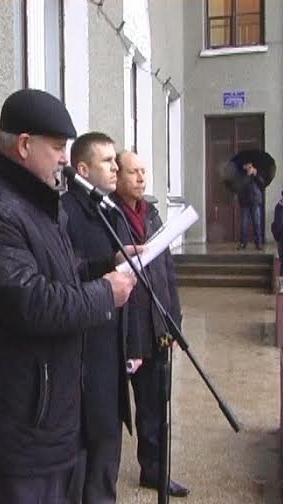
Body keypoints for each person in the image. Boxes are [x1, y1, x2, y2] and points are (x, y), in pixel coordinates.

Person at [0, 88, 136, 504]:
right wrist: (105, 294)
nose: (64, 158)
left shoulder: (35, 202)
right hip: (16, 421)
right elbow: (30, 301)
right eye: (58, 147)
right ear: (25, 145)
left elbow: (60, 274)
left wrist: (108, 263)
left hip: (46, 416)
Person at [61, 132, 133, 503]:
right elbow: (66, 275)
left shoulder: (110, 210)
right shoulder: (64, 212)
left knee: (107, 443)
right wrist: (107, 267)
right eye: (107, 161)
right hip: (83, 348)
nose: (116, 167)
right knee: (82, 453)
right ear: (83, 169)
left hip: (112, 345)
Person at [114, 150, 189, 498]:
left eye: (144, 171)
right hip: (125, 327)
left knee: (156, 405)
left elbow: (166, 270)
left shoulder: (153, 215)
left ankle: (155, 471)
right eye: (133, 172)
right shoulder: (110, 215)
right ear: (117, 176)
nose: (141, 178)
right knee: (116, 408)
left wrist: (173, 321)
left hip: (156, 326)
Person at [236, 161, 265, 250]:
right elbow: (240, 185)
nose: (249, 167)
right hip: (244, 202)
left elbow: (262, 184)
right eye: (247, 165)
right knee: (244, 224)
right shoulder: (240, 174)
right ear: (244, 166)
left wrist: (256, 175)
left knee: (257, 223)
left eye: (250, 165)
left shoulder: (257, 172)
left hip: (255, 201)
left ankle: (258, 243)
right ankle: (243, 243)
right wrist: (248, 175)